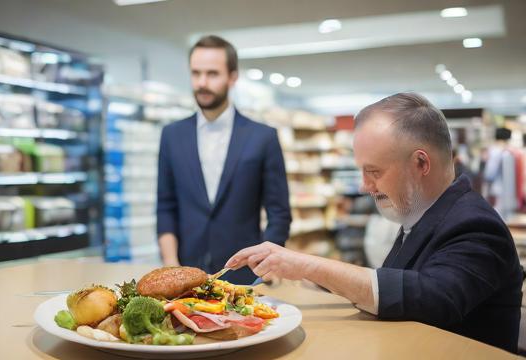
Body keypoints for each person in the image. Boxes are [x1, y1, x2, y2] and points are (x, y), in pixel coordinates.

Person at [225, 93, 523, 352]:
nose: (366, 186)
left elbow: (432, 298)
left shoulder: (476, 225)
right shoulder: (424, 217)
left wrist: (309, 265)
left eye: (375, 171)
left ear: (421, 163)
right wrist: (315, 280)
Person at [156, 35, 291, 284]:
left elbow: (279, 211)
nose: (202, 82)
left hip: (245, 276)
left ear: (233, 76)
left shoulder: (263, 137)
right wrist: (171, 266)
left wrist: (266, 265)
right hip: (185, 274)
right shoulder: (171, 135)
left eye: (212, 74)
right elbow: (165, 206)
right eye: (196, 73)